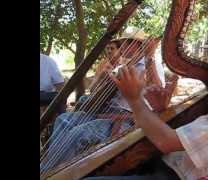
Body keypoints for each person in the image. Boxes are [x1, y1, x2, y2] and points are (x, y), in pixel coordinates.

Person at [86, 25, 208, 180]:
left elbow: (167, 142)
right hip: (166, 166)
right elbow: (188, 137)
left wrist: (135, 100)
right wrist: (161, 109)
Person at [40, 29, 167, 173]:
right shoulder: (123, 66)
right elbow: (96, 94)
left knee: (78, 134)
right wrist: (100, 77)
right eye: (120, 43)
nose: (121, 47)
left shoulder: (150, 64)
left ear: (136, 45)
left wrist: (150, 57)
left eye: (124, 43)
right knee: (63, 120)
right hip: (105, 112)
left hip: (128, 119)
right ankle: (52, 168)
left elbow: (157, 90)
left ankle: (48, 173)